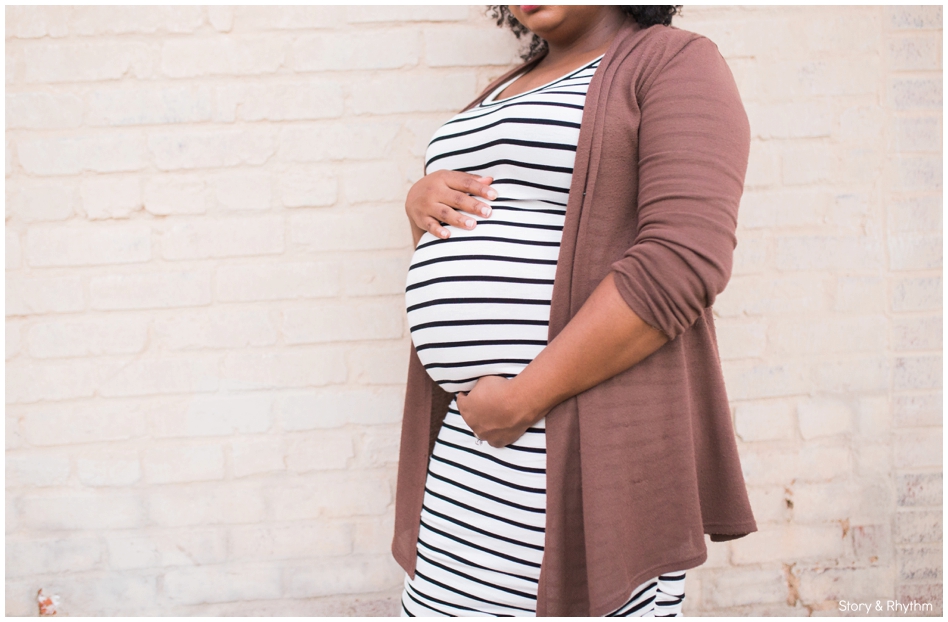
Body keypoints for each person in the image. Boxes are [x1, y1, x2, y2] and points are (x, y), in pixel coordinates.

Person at [393, 5, 757, 617]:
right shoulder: (504, 87)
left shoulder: (673, 61)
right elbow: (469, 245)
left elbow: (683, 261)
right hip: (469, 446)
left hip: (569, 444)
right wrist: (422, 207)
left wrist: (524, 398)